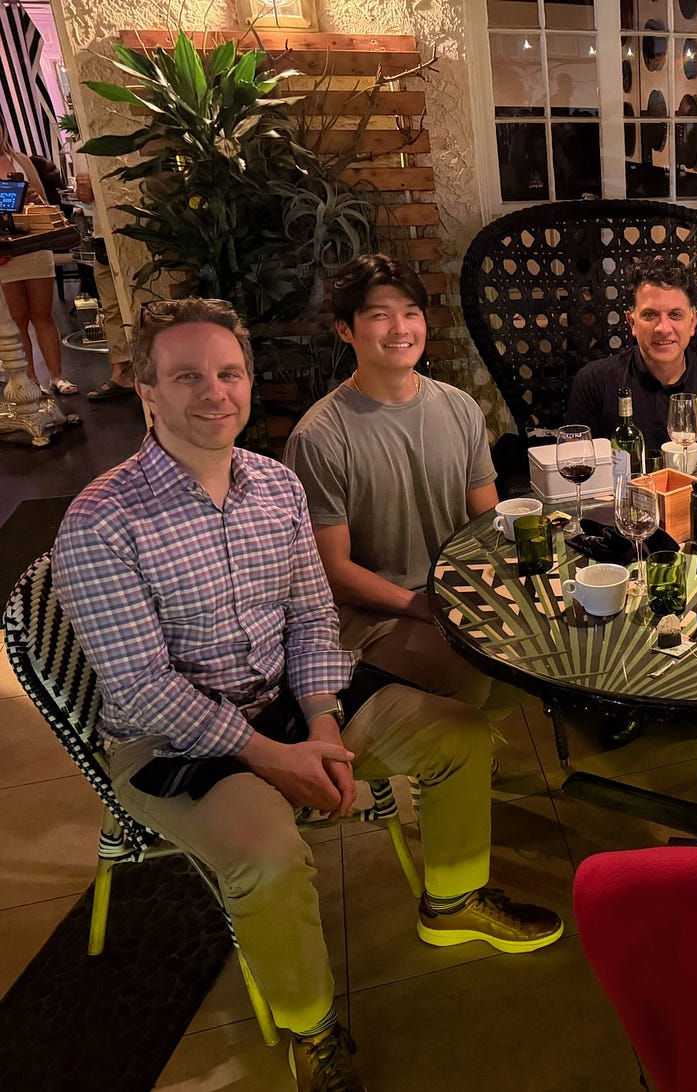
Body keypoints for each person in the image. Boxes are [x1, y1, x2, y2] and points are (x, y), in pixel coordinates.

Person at [52, 298, 562, 1092]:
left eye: (229, 374)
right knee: (269, 857)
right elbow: (142, 689)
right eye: (188, 377)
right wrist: (269, 755)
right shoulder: (101, 522)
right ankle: (310, 1028)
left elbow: (312, 618)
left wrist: (322, 721)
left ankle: (453, 901)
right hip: (174, 743)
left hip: (292, 704)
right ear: (146, 391)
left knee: (458, 734)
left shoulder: (275, 487)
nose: (215, 393)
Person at [286, 253, 512, 714]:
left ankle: (476, 740)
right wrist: (422, 606)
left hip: (452, 594)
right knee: (467, 666)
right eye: (379, 316)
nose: (400, 329)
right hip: (375, 616)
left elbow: (486, 524)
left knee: (543, 638)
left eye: (411, 313)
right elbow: (334, 572)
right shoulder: (319, 437)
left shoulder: (461, 408)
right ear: (345, 329)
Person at [564, 260, 697, 459]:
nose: (663, 328)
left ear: (693, 322)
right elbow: (577, 467)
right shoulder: (593, 382)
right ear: (632, 322)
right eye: (650, 315)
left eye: (675, 315)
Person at [0, 120, 72, 395]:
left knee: (43, 314)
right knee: (17, 318)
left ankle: (57, 376)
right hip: (5, 252)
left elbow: (44, 201)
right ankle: (30, 379)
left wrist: (30, 196)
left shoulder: (20, 160)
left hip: (34, 244)